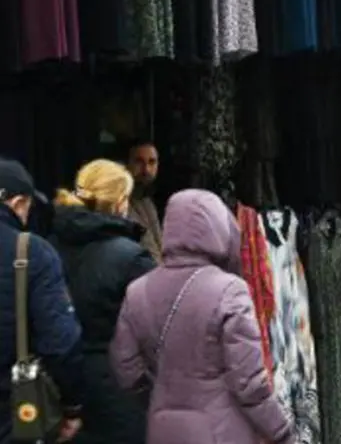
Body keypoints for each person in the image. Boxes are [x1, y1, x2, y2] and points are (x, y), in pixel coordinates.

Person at [110, 189, 295, 444]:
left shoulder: (137, 291)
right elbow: (249, 384)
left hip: (162, 427)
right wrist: (281, 432)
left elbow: (126, 369)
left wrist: (160, 397)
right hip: (221, 430)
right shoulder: (229, 290)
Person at [49, 159, 156, 443]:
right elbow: (157, 330)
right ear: (121, 202)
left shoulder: (45, 248)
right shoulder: (132, 258)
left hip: (58, 387)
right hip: (121, 392)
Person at [0, 159, 84, 443]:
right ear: (19, 203)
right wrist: (72, 406)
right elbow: (60, 341)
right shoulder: (31, 251)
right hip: (11, 413)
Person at [126, 138, 162, 263]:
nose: (146, 169)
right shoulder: (119, 205)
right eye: (139, 162)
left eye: (152, 162)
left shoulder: (147, 202)